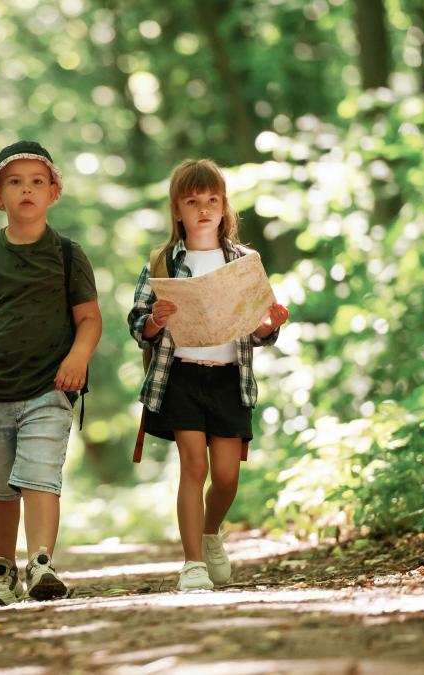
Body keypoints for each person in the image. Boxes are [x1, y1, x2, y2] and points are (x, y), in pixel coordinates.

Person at [127, 158, 289, 591]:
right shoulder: (162, 261)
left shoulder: (243, 261)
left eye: (212, 200)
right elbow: (138, 324)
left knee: (227, 476)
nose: (203, 209)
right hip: (179, 376)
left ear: (224, 206)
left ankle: (210, 531)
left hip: (230, 378)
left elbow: (259, 330)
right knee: (194, 466)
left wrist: (268, 325)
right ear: (177, 210)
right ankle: (192, 564)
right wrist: (155, 320)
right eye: (192, 201)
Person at [0, 140, 101, 606]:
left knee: (40, 474)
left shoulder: (67, 253)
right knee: (0, 484)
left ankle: (40, 563)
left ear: (53, 192)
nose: (27, 190)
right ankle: (2, 569)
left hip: (49, 386)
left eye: (37, 181)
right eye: (15, 182)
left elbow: (89, 318)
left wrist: (78, 357)